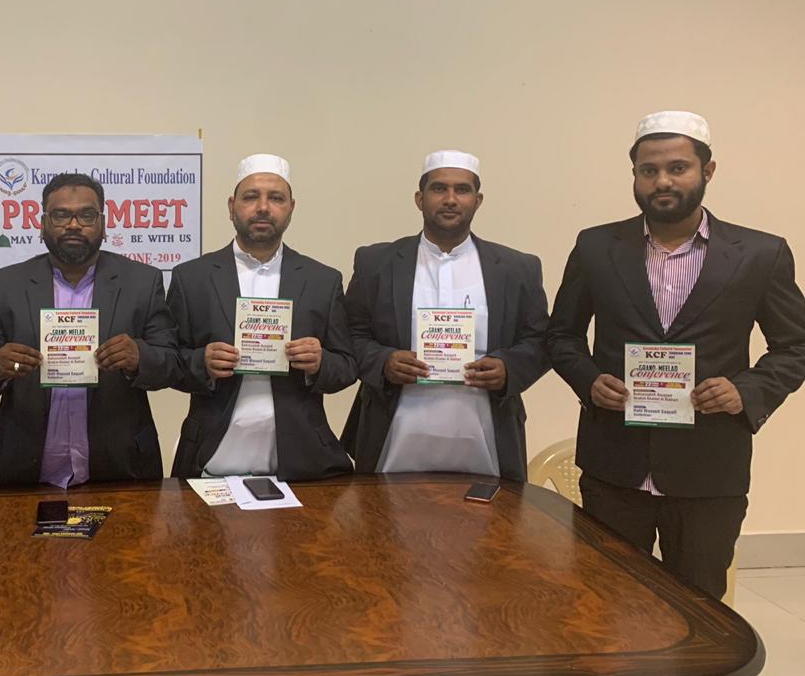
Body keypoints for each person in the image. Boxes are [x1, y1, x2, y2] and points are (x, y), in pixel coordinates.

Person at [546, 111, 805, 599]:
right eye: (649, 170)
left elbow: (796, 345)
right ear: (635, 175)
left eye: (678, 168)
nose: (662, 181)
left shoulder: (760, 253)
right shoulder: (596, 246)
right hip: (613, 469)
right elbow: (561, 335)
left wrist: (745, 391)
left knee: (700, 608)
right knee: (608, 604)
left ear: (708, 171)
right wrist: (589, 380)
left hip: (709, 471)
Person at [342, 151, 549, 481]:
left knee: (493, 516)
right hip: (392, 439)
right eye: (439, 188)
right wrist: (383, 362)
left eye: (462, 190)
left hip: (487, 441)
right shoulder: (376, 263)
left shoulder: (517, 268)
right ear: (419, 199)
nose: (450, 199)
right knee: (380, 515)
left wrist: (509, 369)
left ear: (478, 200)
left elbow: (541, 341)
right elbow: (350, 333)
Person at [0, 172, 180, 486]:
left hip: (121, 465)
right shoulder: (4, 285)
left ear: (103, 224)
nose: (74, 224)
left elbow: (172, 362)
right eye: (61, 215)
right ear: (42, 223)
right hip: (22, 466)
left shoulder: (142, 282)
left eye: (87, 215)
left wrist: (140, 357)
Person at [168, 154, 354, 480]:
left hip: (302, 461)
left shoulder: (323, 280)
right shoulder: (192, 278)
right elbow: (167, 361)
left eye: (276, 198)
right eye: (251, 197)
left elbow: (348, 366)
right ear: (232, 206)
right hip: (211, 458)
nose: (263, 207)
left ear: (291, 208)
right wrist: (202, 362)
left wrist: (320, 362)